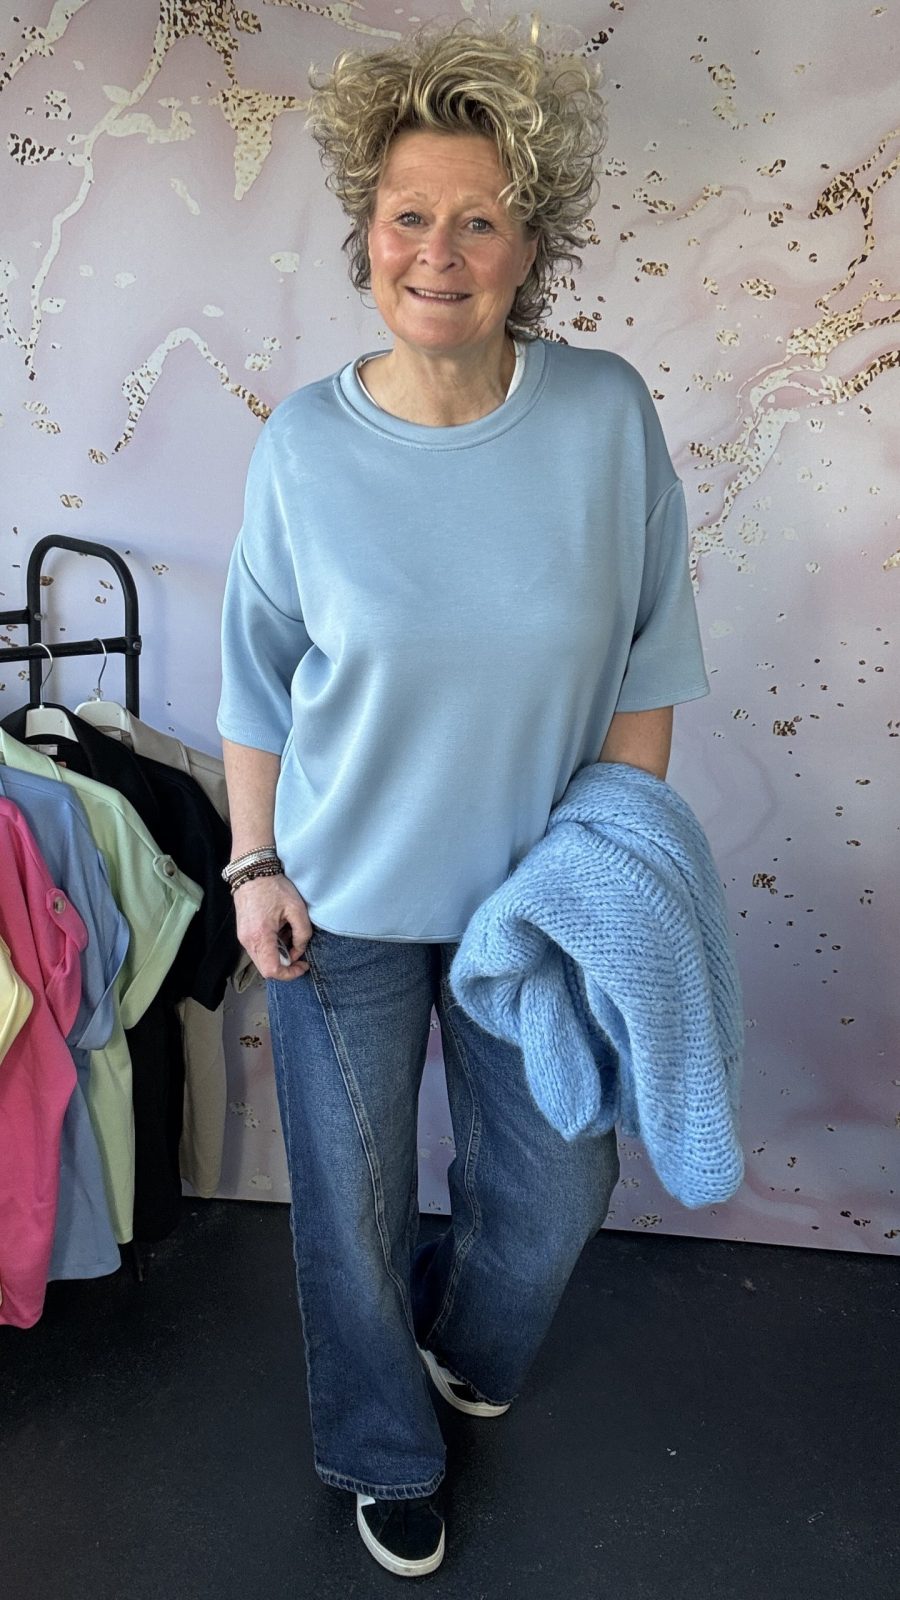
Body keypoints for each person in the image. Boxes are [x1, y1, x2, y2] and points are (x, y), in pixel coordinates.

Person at [216, 17, 710, 1579]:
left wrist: (594, 882)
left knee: (557, 1187)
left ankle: (458, 1340)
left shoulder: (605, 414)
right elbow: (255, 685)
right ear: (366, 234)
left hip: (537, 904)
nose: (440, 251)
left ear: (529, 246)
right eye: (410, 215)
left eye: (480, 218)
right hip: (343, 902)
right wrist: (253, 865)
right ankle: (380, 1443)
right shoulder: (304, 444)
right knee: (349, 1213)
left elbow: (648, 664)